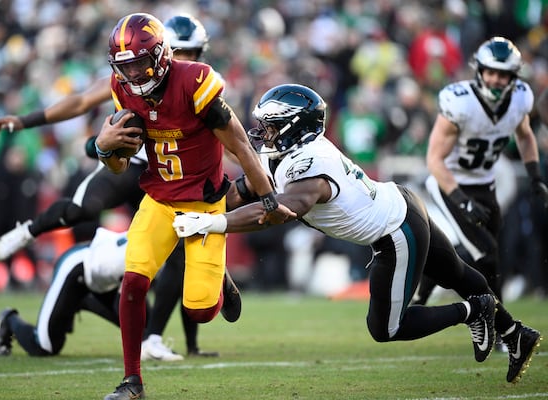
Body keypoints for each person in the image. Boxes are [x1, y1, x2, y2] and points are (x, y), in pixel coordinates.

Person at [172, 83, 542, 385]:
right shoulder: (287, 154)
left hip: (395, 233)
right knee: (458, 273)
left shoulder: (310, 164)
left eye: (270, 126)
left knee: (385, 328)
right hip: (402, 203)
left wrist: (212, 223)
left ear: (293, 127)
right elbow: (247, 189)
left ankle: (475, 310)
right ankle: (516, 335)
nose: (262, 133)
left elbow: (278, 211)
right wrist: (204, 207)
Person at [0, 14, 221, 360]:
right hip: (137, 161)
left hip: (177, 174)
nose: (186, 59)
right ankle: (29, 230)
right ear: (161, 49)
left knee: (185, 248)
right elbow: (82, 101)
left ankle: (157, 337)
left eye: (193, 52)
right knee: (83, 207)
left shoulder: (198, 82)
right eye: (179, 51)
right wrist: (25, 122)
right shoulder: (131, 75)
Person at [95, 13, 294, 400]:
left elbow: (238, 142)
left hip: (204, 205)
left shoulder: (194, 81)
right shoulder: (124, 91)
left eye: (138, 62)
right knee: (133, 282)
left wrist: (267, 195)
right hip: (158, 200)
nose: (133, 73)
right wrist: (104, 147)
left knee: (200, 310)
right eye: (125, 66)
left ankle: (219, 278)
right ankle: (131, 382)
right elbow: (119, 165)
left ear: (160, 55)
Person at [419, 38, 548, 318]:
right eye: (490, 72)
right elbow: (434, 160)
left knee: (482, 252)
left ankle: (426, 283)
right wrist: (461, 200)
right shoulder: (460, 103)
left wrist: (534, 173)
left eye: (503, 74)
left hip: (485, 185)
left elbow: (525, 136)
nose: (496, 80)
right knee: (487, 255)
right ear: (479, 71)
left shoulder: (520, 99)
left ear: (513, 77)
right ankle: (503, 328)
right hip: (450, 183)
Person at [0, 228, 146, 356]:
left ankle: (83, 300)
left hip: (105, 277)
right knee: (45, 346)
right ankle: (9, 319)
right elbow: (125, 298)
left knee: (146, 327)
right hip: (77, 266)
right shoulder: (151, 244)